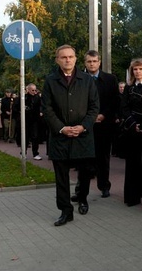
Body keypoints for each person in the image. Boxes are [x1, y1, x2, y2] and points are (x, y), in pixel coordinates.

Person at [42, 44, 99, 226]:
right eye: (64, 57)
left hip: (83, 135)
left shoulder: (87, 80)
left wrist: (83, 126)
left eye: (71, 57)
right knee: (61, 177)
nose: (68, 60)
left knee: (85, 172)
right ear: (58, 60)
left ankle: (82, 198)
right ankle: (66, 211)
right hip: (60, 137)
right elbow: (47, 108)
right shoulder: (50, 81)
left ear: (75, 59)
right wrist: (61, 128)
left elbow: (94, 107)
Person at [71, 50, 119, 200]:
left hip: (104, 125)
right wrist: (89, 118)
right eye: (89, 61)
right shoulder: (78, 79)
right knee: (83, 159)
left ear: (99, 62)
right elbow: (75, 102)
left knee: (103, 157)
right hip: (85, 125)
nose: (92, 64)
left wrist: (104, 115)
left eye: (94, 61)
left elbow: (115, 101)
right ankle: (80, 190)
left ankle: (104, 186)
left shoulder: (110, 79)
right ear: (85, 63)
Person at [120, 58, 142, 206]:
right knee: (132, 162)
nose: (138, 72)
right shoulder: (129, 88)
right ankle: (132, 196)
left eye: (140, 69)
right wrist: (132, 123)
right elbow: (124, 107)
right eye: (135, 69)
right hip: (133, 127)